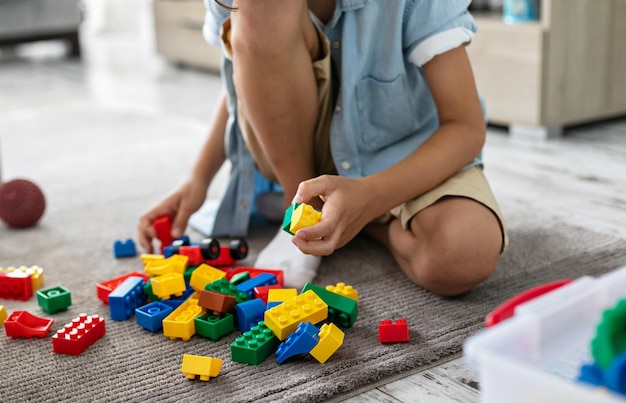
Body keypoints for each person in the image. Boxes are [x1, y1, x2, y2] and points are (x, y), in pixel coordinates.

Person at [138, 0, 508, 296]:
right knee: (264, 7)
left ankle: (356, 220)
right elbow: (247, 75)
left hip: (402, 157)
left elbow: (465, 128)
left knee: (466, 250)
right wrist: (198, 178)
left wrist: (372, 197)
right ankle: (302, 210)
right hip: (297, 160)